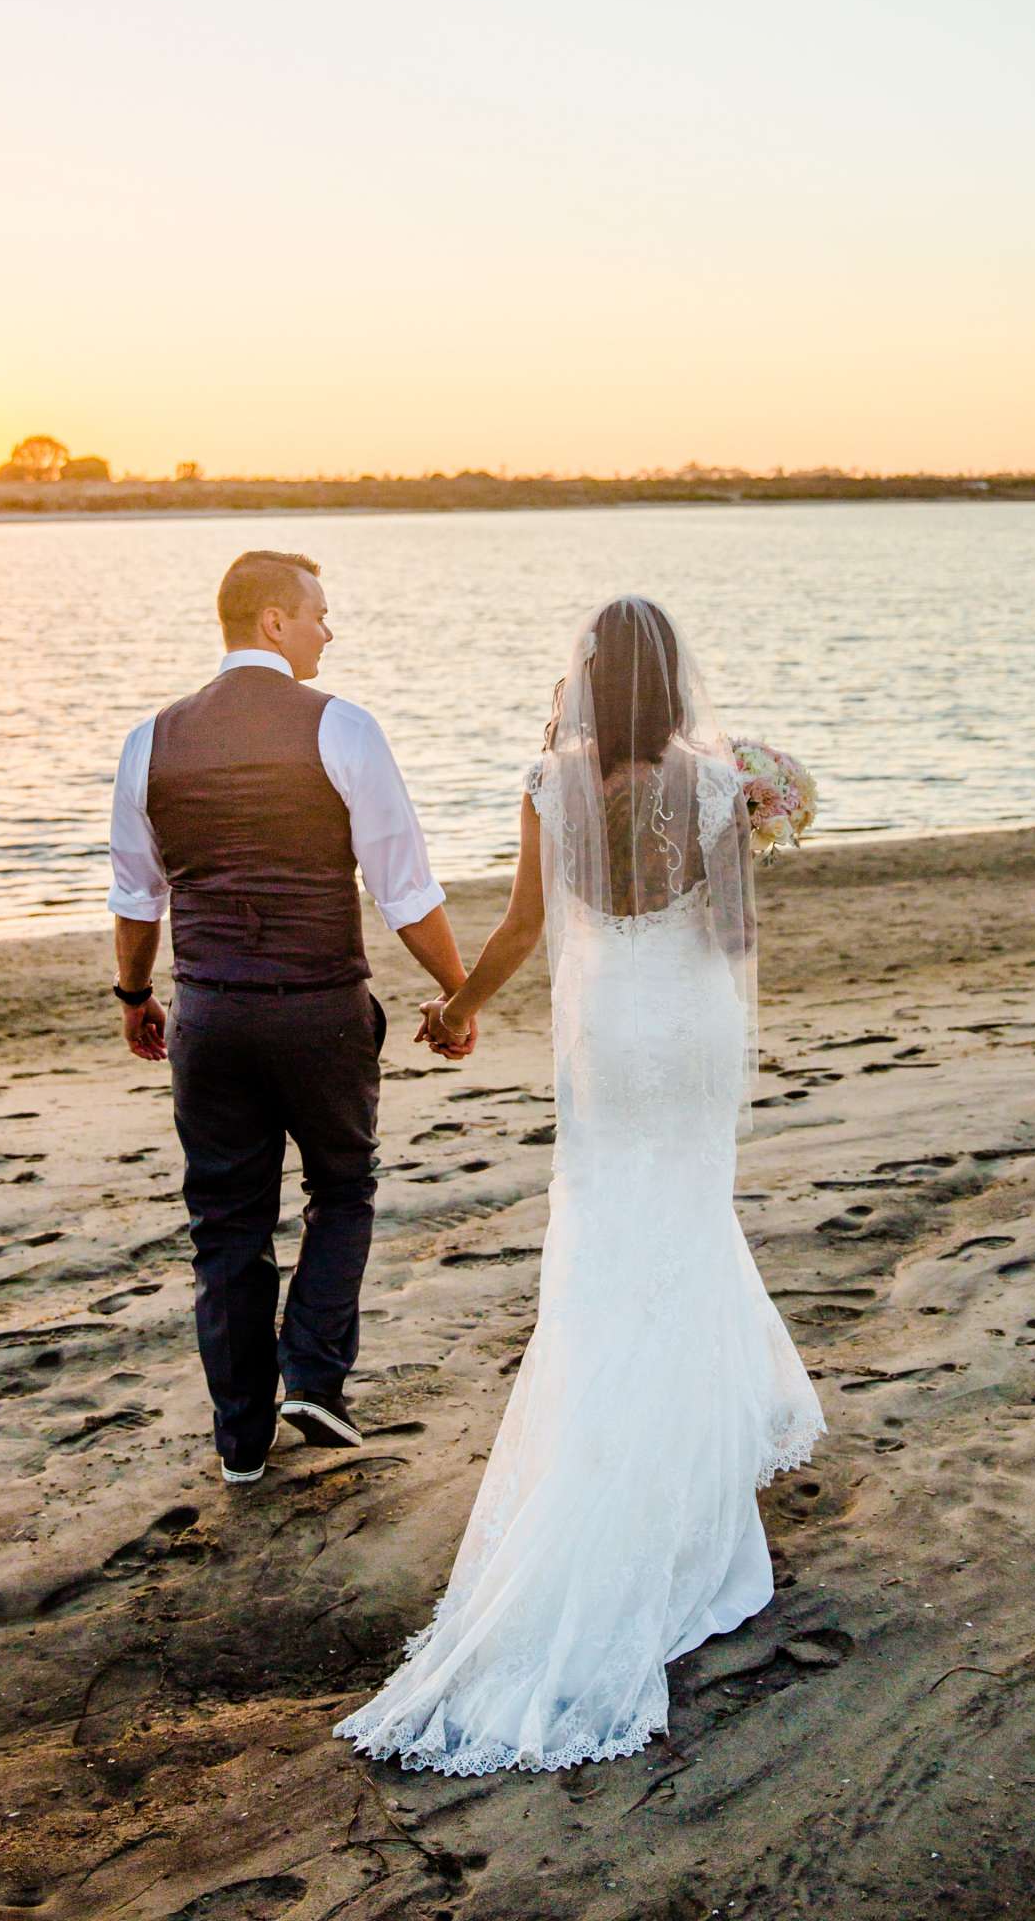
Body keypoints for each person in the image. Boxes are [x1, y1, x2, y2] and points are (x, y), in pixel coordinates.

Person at [335, 594, 826, 1775]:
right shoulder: (711, 783)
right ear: (673, 684)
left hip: (607, 1037)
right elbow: (736, 942)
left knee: (614, 1250)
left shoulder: (548, 781)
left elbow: (517, 925)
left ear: (589, 679)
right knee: (688, 1230)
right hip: (689, 1032)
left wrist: (458, 1006)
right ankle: (689, 1510)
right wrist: (748, 836)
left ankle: (616, 1465)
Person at [106, 548, 476, 1485]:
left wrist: (137, 996)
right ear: (274, 620)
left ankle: (239, 1441)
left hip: (212, 1018)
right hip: (320, 1011)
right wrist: (459, 996)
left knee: (225, 1222)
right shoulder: (343, 728)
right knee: (343, 1187)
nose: (328, 628)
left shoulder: (150, 740)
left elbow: (136, 896)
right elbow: (404, 889)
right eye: (317, 612)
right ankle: (313, 1377)